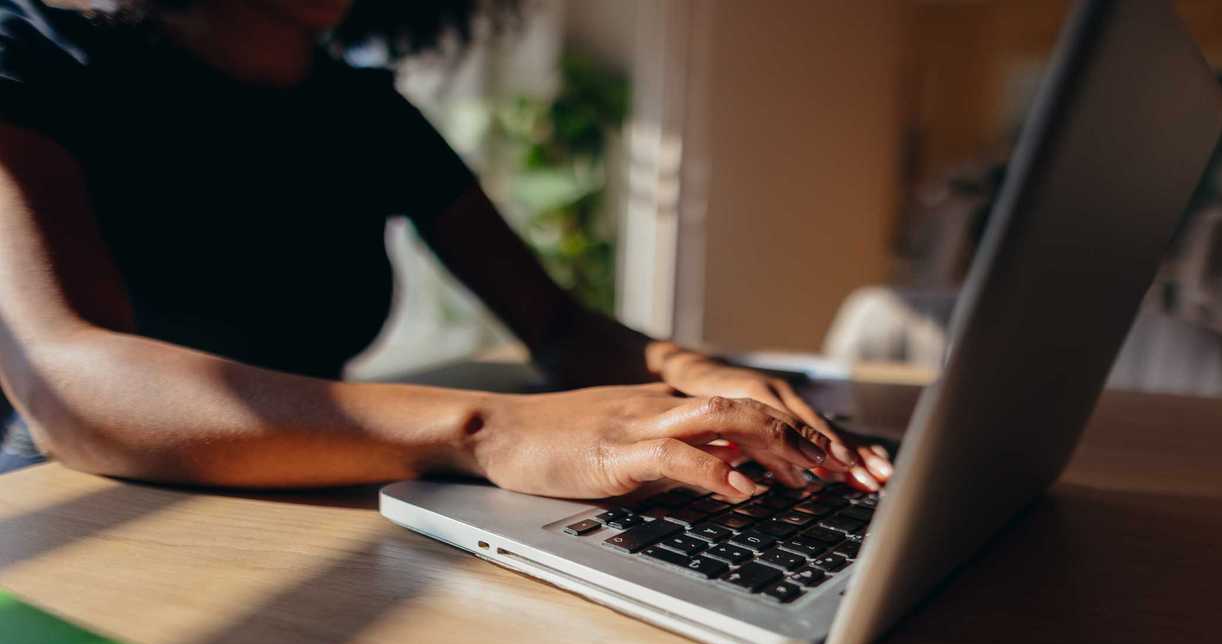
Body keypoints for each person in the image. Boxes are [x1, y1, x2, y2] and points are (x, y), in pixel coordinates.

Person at [0, 0, 891, 499]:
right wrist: (486, 427)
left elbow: (555, 322)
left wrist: (692, 372)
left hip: (312, 494)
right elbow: (66, 381)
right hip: (66, 511)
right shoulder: (30, 58)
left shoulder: (362, 112)